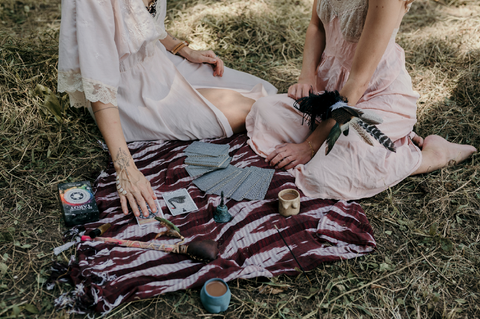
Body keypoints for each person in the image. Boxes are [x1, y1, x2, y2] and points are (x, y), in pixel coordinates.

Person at [57, 0, 277, 217]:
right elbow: (99, 87)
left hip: (158, 61)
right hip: (127, 94)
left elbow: (143, 20)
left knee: (266, 92)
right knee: (255, 110)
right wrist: (125, 169)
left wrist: (181, 48)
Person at [246, 0, 476, 200]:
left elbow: (358, 82)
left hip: (376, 96)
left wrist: (309, 145)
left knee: (322, 177)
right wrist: (307, 76)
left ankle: (432, 155)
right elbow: (316, 27)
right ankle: (345, 143)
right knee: (265, 111)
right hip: (329, 90)